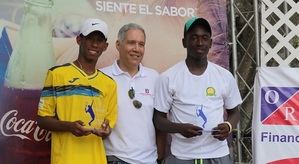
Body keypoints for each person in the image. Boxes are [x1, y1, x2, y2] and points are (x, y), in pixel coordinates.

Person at [153, 17, 242, 164]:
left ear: (211, 43)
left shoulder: (224, 76)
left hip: (219, 155)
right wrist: (179, 128)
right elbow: (158, 119)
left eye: (204, 38)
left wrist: (229, 126)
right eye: (193, 38)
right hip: (182, 156)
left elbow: (235, 112)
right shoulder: (168, 77)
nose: (199, 43)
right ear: (184, 42)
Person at [36, 18, 118, 164]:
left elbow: (107, 127)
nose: (94, 44)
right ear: (79, 40)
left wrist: (106, 131)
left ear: (105, 46)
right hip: (65, 159)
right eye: (90, 38)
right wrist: (69, 126)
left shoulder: (109, 84)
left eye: (99, 40)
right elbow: (42, 120)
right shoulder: (56, 74)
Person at [101, 23, 166, 164]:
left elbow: (160, 118)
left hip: (150, 159)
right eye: (131, 43)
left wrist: (160, 156)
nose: (137, 49)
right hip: (115, 158)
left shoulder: (154, 77)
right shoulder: (102, 77)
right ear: (118, 44)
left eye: (141, 44)